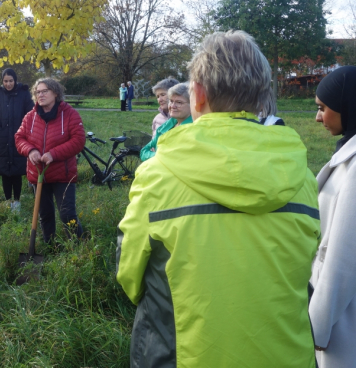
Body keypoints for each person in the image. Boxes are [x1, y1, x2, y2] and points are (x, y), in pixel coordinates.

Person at [117, 30, 320, 367]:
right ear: (260, 98)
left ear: (196, 96)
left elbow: (130, 275)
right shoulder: (303, 178)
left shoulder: (156, 175)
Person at [310, 66, 356, 368]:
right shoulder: (347, 153)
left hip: (341, 315)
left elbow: (342, 258)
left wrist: (317, 327)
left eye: (322, 108)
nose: (317, 117)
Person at [15, 78, 85, 244]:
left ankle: (79, 248)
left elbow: (78, 140)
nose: (41, 94)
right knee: (45, 215)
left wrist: (53, 154)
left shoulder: (70, 114)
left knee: (67, 214)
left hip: (63, 174)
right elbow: (19, 138)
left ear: (55, 92)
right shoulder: (30, 117)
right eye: (38, 92)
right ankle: (51, 247)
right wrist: (30, 150)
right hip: (38, 175)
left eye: (45, 91)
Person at [0, 68, 34, 211]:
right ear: (2, 81)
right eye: (5, 81)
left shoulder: (24, 94)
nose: (8, 84)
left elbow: (31, 114)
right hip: (1, 139)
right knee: (5, 172)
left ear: (15, 80)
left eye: (11, 81)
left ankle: (17, 202)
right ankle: (8, 201)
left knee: (17, 171)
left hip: (19, 138)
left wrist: (24, 130)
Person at [140, 82, 192, 161]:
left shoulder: (193, 127)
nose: (172, 106)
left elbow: (175, 159)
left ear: (192, 104)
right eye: (171, 101)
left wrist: (155, 155)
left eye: (179, 102)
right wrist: (159, 156)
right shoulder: (167, 125)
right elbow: (144, 151)